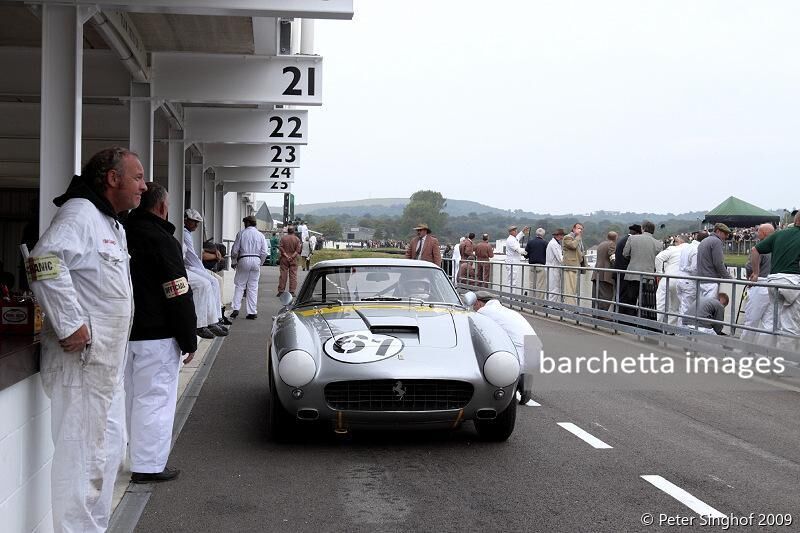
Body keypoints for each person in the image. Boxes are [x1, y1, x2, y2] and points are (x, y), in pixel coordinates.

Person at [26, 147, 145, 531]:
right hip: (81, 368)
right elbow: (44, 259)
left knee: (106, 458)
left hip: (105, 371)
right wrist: (70, 322)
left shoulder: (111, 223)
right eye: (137, 177)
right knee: (80, 465)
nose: (144, 185)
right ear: (113, 179)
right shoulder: (80, 213)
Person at [123, 182, 197, 484]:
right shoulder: (163, 240)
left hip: (125, 332)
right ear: (162, 206)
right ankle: (148, 465)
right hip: (158, 335)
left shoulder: (121, 231)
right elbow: (177, 291)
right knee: (155, 400)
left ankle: (132, 454)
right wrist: (188, 336)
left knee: (131, 399)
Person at [473, 291, 540, 405]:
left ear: (479, 303)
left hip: (520, 354)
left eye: (473, 304)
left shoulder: (483, 312)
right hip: (536, 349)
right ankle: (523, 375)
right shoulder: (507, 311)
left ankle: (518, 380)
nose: (473, 307)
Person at [750, 211, 800, 351]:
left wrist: (755, 273)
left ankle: (765, 354)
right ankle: (786, 361)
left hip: (772, 282)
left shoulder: (780, 233)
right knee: (790, 325)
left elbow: (755, 250)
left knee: (772, 321)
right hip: (792, 282)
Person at [183, 209, 231, 328]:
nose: (196, 225)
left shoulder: (187, 233)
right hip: (190, 266)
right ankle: (208, 321)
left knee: (215, 281)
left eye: (197, 222)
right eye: (194, 221)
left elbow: (200, 250)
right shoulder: (184, 233)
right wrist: (212, 258)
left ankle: (216, 317)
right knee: (208, 283)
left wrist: (214, 251)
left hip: (194, 266)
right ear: (186, 220)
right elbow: (193, 256)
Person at [741, 223, 775, 345]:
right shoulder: (777, 246)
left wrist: (751, 275)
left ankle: (743, 349)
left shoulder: (761, 247)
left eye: (759, 231)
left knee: (751, 320)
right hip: (774, 285)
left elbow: (749, 266)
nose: (757, 233)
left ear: (764, 233)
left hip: (760, 283)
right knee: (769, 322)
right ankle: (763, 351)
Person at [231, 215, 269, 319]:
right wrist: (260, 262)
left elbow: (235, 251)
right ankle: (252, 312)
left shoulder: (241, 234)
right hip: (256, 259)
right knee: (253, 287)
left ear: (247, 223)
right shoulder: (260, 235)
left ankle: (236, 308)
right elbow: (264, 252)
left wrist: (234, 261)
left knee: (240, 285)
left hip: (244, 258)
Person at [621, 222, 662, 316]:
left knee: (631, 300)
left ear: (643, 229)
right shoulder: (658, 244)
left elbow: (625, 254)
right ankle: (644, 321)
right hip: (648, 276)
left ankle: (630, 320)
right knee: (646, 302)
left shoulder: (632, 238)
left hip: (633, 274)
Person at [676, 231, 708, 326]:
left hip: (680, 279)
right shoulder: (697, 249)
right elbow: (694, 269)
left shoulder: (687, 247)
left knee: (682, 307)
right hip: (689, 281)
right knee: (687, 309)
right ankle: (683, 331)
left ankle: (680, 330)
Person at [654, 235, 687, 325]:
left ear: (679, 242)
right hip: (681, 280)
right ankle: (670, 328)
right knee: (675, 306)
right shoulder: (689, 250)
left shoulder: (673, 249)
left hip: (668, 278)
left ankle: (659, 324)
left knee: (661, 303)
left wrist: (659, 273)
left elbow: (659, 258)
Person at [696, 223, 733, 298]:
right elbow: (718, 263)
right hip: (711, 281)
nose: (726, 236)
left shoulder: (704, 241)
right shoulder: (716, 241)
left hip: (701, 280)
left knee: (702, 307)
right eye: (725, 233)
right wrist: (729, 278)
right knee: (710, 308)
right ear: (718, 231)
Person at [591, 231, 617, 311]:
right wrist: (616, 266)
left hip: (597, 272)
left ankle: (595, 313)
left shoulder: (601, 244)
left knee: (596, 295)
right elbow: (612, 257)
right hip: (606, 274)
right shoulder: (611, 244)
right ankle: (602, 314)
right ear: (615, 238)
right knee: (606, 295)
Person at [561, 223, 585, 305]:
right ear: (573, 229)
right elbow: (573, 246)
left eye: (581, 229)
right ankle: (569, 307)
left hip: (576, 266)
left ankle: (572, 305)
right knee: (569, 288)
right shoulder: (568, 237)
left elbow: (580, 251)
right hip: (570, 266)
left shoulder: (577, 239)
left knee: (574, 288)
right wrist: (578, 237)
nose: (580, 230)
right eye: (578, 228)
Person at [278, 225, 303, 295]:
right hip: (293, 258)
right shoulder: (297, 239)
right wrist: (292, 257)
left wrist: (286, 255)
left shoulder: (283, 238)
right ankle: (292, 291)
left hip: (284, 258)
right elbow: (298, 250)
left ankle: (281, 291)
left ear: (287, 231)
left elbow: (281, 247)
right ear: (294, 231)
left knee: (283, 275)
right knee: (293, 275)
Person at [504, 225, 529, 295]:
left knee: (513, 280)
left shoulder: (513, 238)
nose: (516, 231)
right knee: (512, 280)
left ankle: (512, 296)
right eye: (514, 231)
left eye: (516, 230)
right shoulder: (510, 240)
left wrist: (523, 231)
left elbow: (518, 237)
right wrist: (526, 251)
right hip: (512, 262)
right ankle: (510, 296)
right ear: (511, 232)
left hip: (514, 261)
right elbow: (518, 249)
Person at [525, 228, 548, 297]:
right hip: (541, 265)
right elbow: (547, 254)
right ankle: (539, 303)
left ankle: (531, 301)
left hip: (532, 265)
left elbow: (526, 255)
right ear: (543, 234)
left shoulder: (530, 242)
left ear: (536, 233)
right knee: (540, 284)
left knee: (532, 284)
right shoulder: (545, 243)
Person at [546, 228, 565, 302]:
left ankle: (549, 303)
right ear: (559, 235)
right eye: (562, 235)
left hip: (551, 267)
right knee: (554, 287)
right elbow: (560, 258)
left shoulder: (553, 242)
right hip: (553, 267)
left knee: (551, 287)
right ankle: (551, 304)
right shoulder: (554, 244)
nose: (563, 237)